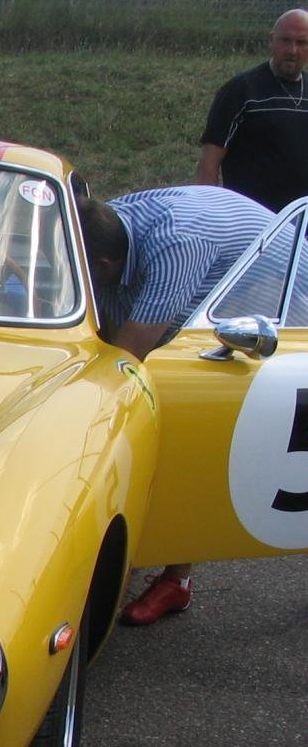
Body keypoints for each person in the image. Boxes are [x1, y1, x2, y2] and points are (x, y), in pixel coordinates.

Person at [77, 186, 273, 625]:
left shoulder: (177, 246)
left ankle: (177, 578)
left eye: (84, 275)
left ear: (104, 266)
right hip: (209, 268)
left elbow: (130, 352)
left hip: (273, 297)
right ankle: (133, 546)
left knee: (180, 415)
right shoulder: (101, 225)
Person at [196, 8, 308, 213]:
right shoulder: (241, 91)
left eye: (301, 43)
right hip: (252, 220)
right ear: (272, 40)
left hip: (302, 221)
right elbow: (209, 163)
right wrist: (210, 214)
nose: (293, 50)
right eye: (285, 40)